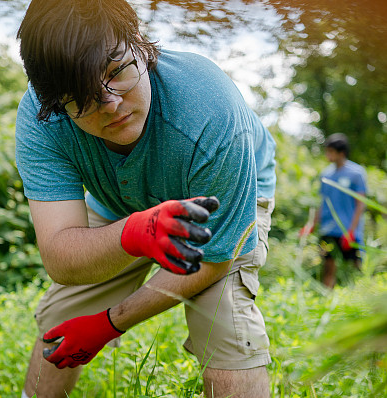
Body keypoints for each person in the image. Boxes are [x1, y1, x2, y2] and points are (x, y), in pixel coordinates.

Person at [14, 0, 276, 397]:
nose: (111, 105)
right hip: (123, 201)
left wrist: (110, 322)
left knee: (226, 332)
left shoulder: (209, 108)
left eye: (117, 71)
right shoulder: (43, 119)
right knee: (60, 320)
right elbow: (59, 255)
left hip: (218, 200)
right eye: (80, 99)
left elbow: (215, 260)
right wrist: (135, 232)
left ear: (138, 42)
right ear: (52, 102)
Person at [300, 133, 367, 288]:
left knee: (357, 268)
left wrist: (352, 230)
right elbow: (322, 202)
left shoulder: (356, 173)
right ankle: (327, 303)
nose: (327, 155)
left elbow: (360, 204)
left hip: (348, 231)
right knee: (328, 268)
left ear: (341, 153)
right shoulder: (326, 174)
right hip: (328, 229)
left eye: (331, 151)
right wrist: (311, 225)